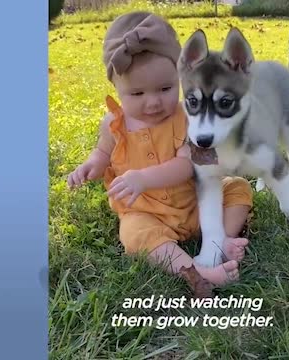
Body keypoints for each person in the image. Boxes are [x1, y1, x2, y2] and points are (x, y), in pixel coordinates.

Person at [67, 11, 253, 286]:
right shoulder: (113, 124)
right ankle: (195, 272)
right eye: (138, 94)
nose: (153, 102)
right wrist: (90, 166)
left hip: (195, 205)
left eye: (166, 88)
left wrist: (143, 178)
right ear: (116, 88)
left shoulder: (187, 118)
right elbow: (102, 154)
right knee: (134, 234)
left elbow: (187, 164)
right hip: (145, 212)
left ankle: (220, 241)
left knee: (237, 187)